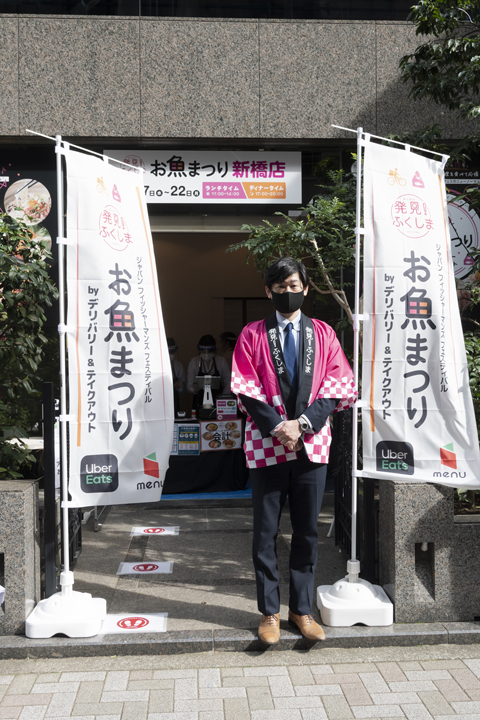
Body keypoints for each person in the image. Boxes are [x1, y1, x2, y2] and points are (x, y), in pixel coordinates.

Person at [231, 257, 357, 645]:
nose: (289, 292)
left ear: (306, 288)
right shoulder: (252, 334)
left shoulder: (323, 334)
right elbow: (244, 387)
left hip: (311, 444)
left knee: (306, 531)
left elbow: (337, 385)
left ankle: (301, 610)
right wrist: (278, 426)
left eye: (295, 285)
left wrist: (300, 425)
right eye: (281, 287)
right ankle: (269, 612)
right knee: (266, 532)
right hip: (266, 444)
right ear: (268, 291)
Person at [187, 334, 231, 415]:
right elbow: (189, 385)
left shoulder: (221, 361)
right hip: (199, 399)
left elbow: (228, 382)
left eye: (209, 351)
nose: (206, 353)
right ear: (199, 350)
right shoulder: (194, 362)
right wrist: (193, 389)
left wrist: (223, 399)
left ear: (214, 350)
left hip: (218, 399)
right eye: (204, 351)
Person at [167, 337, 186, 416]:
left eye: (172, 352)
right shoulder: (155, 364)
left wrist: (179, 386)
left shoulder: (178, 365)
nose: (170, 354)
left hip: (174, 399)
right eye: (168, 352)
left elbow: (183, 389)